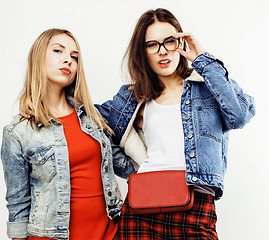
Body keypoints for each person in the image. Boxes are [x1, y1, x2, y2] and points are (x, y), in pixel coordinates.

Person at [95, 8, 256, 239]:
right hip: (142, 207)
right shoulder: (133, 97)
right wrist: (132, 169)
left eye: (169, 42)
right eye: (152, 45)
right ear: (142, 51)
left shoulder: (207, 87)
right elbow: (93, 122)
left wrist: (202, 59)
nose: (162, 52)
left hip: (195, 205)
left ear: (181, 43)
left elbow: (239, 115)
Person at [1, 28, 135, 240]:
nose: (68, 60)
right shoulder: (18, 133)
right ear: (38, 58)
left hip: (110, 234)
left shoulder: (93, 119)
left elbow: (128, 167)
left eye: (74, 56)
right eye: (58, 51)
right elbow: (18, 204)